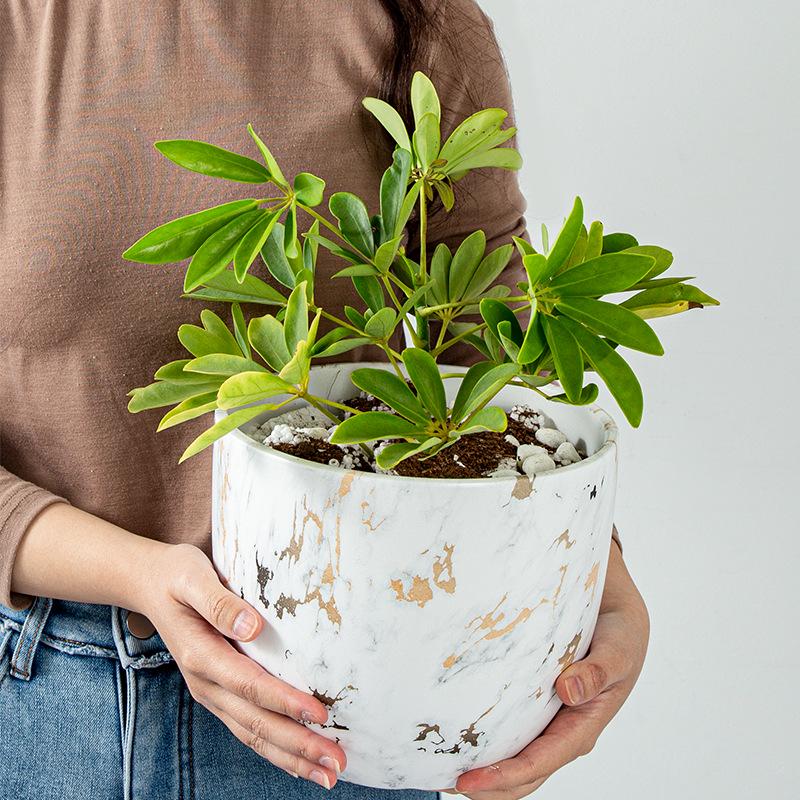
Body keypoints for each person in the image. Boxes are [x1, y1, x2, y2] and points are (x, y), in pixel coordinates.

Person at [0, 1, 650, 798]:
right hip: (31, 693)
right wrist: (139, 576)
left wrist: (592, 569)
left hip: (332, 703)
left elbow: (489, 349)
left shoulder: (416, 18)